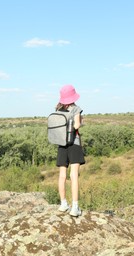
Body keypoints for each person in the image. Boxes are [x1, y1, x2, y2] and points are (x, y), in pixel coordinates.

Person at [56, 84, 85, 217]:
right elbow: (77, 125)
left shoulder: (58, 109)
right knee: (74, 176)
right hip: (74, 143)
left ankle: (63, 204)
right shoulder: (76, 109)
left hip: (62, 145)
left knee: (62, 176)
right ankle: (75, 207)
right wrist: (78, 122)